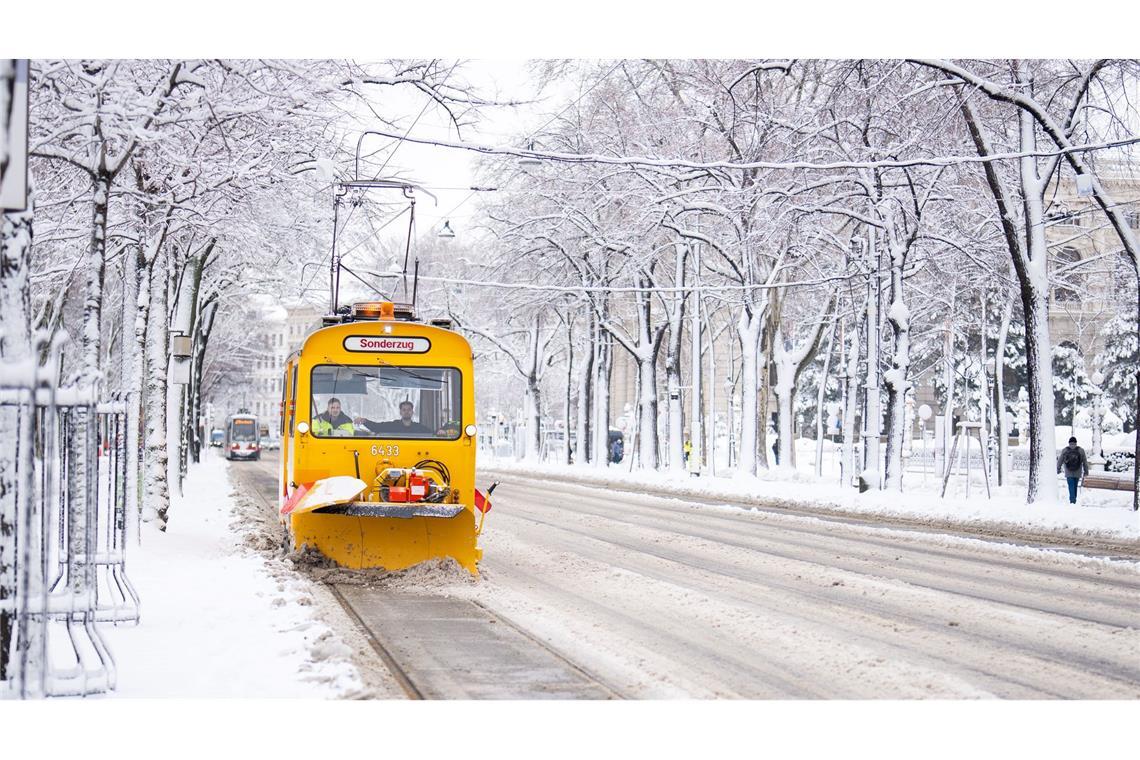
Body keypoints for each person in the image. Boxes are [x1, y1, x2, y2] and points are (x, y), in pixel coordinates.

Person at [355, 400, 432, 436]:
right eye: (404, 410)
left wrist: (441, 432)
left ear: (412, 412)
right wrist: (365, 421)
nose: (406, 412)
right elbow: (377, 427)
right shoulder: (393, 425)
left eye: (409, 409)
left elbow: (432, 434)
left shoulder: (419, 428)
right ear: (400, 412)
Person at [1056, 435, 1090, 505]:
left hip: (1068, 472)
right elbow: (1085, 462)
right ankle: (1074, 500)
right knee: (1075, 486)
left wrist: (1058, 469)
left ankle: (1072, 500)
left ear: (1069, 443)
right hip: (1078, 472)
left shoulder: (1065, 450)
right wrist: (1086, 471)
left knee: (1071, 486)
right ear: (1076, 443)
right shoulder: (1081, 450)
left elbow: (1060, 461)